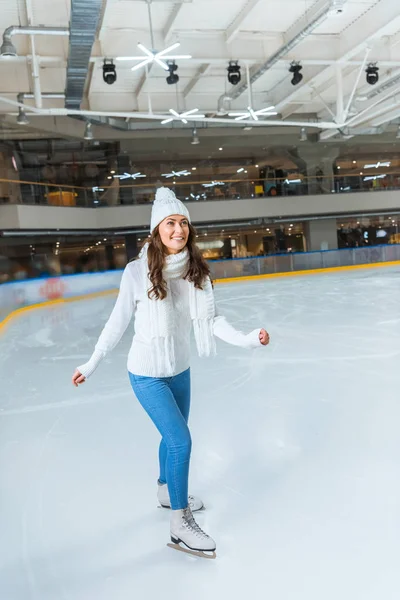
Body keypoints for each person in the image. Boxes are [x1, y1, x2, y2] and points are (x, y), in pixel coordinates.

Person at [72, 187, 270, 559]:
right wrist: (92, 362)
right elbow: (117, 323)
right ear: (156, 229)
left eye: (183, 223)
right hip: (146, 373)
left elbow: (211, 320)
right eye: (170, 223)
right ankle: (180, 523)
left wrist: (248, 341)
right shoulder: (137, 271)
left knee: (170, 437)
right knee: (181, 440)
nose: (178, 229)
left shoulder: (196, 271)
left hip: (180, 370)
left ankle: (166, 491)